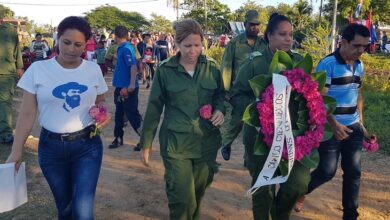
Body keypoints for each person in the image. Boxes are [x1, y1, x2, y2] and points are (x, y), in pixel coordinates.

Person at [6, 16, 109, 219]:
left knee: (83, 211)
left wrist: (102, 115)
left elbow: (100, 102)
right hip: (51, 149)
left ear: (86, 44)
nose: (71, 49)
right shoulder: (38, 69)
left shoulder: (93, 70)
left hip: (87, 147)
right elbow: (27, 114)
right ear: (57, 39)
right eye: (66, 42)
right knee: (65, 208)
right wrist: (16, 151)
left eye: (78, 44)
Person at [140, 19, 225, 220]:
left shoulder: (211, 68)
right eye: (187, 45)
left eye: (197, 45)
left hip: (206, 143)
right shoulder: (165, 71)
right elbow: (154, 107)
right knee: (182, 199)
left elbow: (220, 95)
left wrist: (220, 110)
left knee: (197, 195)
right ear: (177, 44)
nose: (193, 51)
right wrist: (146, 143)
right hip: (176, 145)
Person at [231, 13, 309, 220]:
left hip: (293, 138)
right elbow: (237, 94)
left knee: (299, 182)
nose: (288, 39)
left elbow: (311, 96)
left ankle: (280, 215)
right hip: (260, 137)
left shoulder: (299, 62)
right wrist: (258, 109)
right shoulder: (255, 64)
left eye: (291, 35)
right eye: (282, 34)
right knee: (263, 189)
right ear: (269, 36)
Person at [295, 24, 371, 220]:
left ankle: (350, 215)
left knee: (354, 171)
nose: (361, 51)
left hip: (353, 126)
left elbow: (358, 93)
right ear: (343, 42)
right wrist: (334, 124)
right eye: (357, 46)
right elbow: (319, 99)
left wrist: (361, 123)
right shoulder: (327, 64)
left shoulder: (360, 65)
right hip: (330, 129)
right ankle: (299, 191)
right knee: (326, 171)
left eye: (365, 46)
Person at [220, 10, 267, 161]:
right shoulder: (235, 44)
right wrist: (225, 90)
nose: (255, 28)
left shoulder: (263, 44)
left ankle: (248, 158)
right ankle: (226, 144)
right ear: (245, 24)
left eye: (257, 25)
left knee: (253, 127)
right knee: (237, 122)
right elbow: (226, 67)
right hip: (239, 91)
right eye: (252, 24)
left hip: (259, 92)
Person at [109, 25, 142, 149]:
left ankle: (144, 139)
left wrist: (131, 85)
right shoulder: (121, 48)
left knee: (132, 114)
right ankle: (118, 138)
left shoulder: (127, 49)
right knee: (119, 114)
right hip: (120, 87)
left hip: (127, 89)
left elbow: (133, 67)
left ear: (115, 35)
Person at [0, 22, 24, 144]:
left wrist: (19, 67)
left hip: (7, 71)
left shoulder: (9, 29)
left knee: (4, 103)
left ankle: (5, 134)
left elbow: (17, 48)